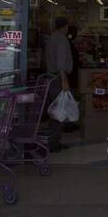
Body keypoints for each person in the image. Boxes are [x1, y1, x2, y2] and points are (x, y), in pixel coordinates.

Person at [44, 16, 73, 151]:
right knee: (59, 111)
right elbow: (61, 62)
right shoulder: (61, 39)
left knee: (54, 111)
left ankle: (53, 141)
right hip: (58, 79)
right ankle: (54, 144)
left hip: (50, 78)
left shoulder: (51, 38)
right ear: (65, 26)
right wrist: (64, 80)